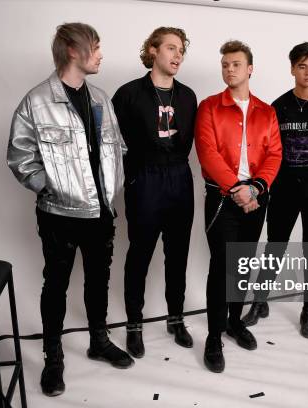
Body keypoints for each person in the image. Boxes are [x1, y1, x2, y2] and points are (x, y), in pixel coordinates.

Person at [7, 22, 133, 397]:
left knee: (98, 280)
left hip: (101, 214)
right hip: (58, 215)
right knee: (56, 285)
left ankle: (99, 340)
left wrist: (111, 190)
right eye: (95, 47)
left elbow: (118, 147)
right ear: (73, 51)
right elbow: (20, 157)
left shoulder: (101, 99)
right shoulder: (36, 100)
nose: (100, 54)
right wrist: (53, 189)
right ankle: (53, 357)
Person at [242, 42, 308, 339]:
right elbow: (268, 148)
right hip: (285, 186)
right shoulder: (278, 106)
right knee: (275, 245)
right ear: (292, 69)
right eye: (302, 66)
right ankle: (259, 302)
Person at [195, 40, 282, 373]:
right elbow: (208, 153)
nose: (229, 69)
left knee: (243, 264)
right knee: (222, 267)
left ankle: (233, 322)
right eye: (225, 64)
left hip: (257, 198)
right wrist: (237, 190)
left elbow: (274, 154)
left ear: (250, 69)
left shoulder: (266, 111)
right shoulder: (209, 107)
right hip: (222, 199)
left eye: (235, 64)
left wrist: (256, 188)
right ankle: (214, 337)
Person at [112, 27, 197, 359]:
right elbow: (113, 146)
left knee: (178, 255)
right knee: (140, 254)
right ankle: (134, 324)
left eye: (181, 51)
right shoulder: (128, 94)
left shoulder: (188, 96)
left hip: (179, 176)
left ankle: (176, 319)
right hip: (144, 178)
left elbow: (189, 142)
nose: (177, 56)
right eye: (171, 48)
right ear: (152, 50)